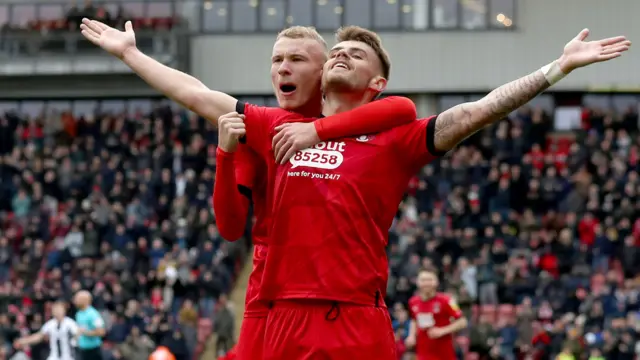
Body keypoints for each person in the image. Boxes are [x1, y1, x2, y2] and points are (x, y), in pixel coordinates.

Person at [225, 26, 630, 359]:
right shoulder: (282, 128)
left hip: (356, 318)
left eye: (357, 54)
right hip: (285, 315)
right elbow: (197, 95)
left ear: (377, 82)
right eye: (336, 52)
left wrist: (556, 69)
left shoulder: (399, 138)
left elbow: (480, 110)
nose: (342, 56)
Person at [80, 21, 416, 360]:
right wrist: (130, 54)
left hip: (338, 292)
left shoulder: (360, 123)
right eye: (277, 60)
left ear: (324, 70)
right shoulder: (258, 129)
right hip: (271, 288)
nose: (283, 68)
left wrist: (318, 130)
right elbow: (195, 94)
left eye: (297, 60)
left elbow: (403, 108)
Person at [405, 269, 467, 360]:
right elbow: (414, 320)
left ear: (436, 282)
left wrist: (442, 330)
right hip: (422, 354)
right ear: (417, 282)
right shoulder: (413, 302)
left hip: (444, 354)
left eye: (430, 280)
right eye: (423, 280)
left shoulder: (447, 300)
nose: (426, 283)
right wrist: (411, 335)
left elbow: (463, 322)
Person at [14, 302, 78, 360]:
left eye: (59, 309)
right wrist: (23, 341)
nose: (57, 311)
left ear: (64, 311)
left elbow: (77, 334)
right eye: (55, 309)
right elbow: (39, 336)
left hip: (68, 357)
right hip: (54, 357)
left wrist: (75, 340)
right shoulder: (50, 324)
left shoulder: (70, 323)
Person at [73, 290, 105, 360]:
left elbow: (101, 332)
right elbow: (80, 330)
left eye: (77, 298)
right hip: (82, 349)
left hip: (93, 351)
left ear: (86, 300)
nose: (75, 301)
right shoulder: (78, 314)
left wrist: (86, 332)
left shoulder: (93, 314)